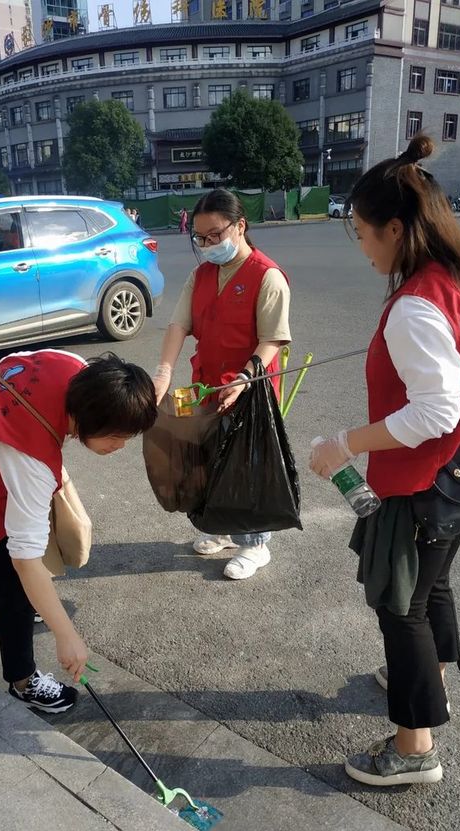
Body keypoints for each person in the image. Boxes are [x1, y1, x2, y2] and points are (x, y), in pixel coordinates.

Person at [309, 134, 460, 786]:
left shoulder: (415, 305)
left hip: (422, 482)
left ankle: (413, 748)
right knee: (432, 585)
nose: (363, 246)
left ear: (396, 229)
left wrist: (344, 444)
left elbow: (435, 412)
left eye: (363, 232)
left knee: (400, 607)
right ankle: (435, 678)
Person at [0, 351, 157, 713]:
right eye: (116, 437)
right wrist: (67, 636)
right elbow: (25, 559)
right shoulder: (31, 460)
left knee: (14, 567)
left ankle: (9, 607)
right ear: (89, 417)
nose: (120, 448)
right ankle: (23, 681)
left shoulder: (74, 368)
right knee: (16, 581)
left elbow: (13, 361)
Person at [152, 188, 291, 580]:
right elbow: (178, 325)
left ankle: (256, 544)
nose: (208, 244)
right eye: (200, 237)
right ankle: (224, 529)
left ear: (240, 226)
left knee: (245, 467)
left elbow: (273, 339)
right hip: (206, 386)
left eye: (215, 235)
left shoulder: (267, 276)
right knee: (208, 460)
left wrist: (245, 379)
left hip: (250, 388)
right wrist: (164, 371)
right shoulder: (201, 276)